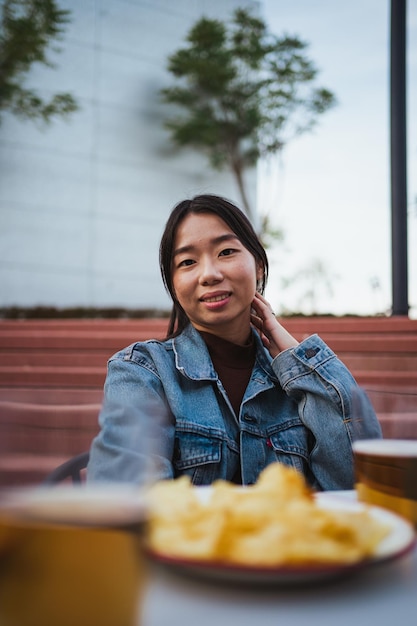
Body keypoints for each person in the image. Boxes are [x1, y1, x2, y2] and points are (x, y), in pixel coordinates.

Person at [87, 194, 382, 490]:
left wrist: (299, 362)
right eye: (187, 261)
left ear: (259, 268)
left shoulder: (294, 381)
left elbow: (360, 485)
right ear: (174, 286)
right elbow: (128, 504)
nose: (209, 274)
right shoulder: (142, 373)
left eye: (226, 252)